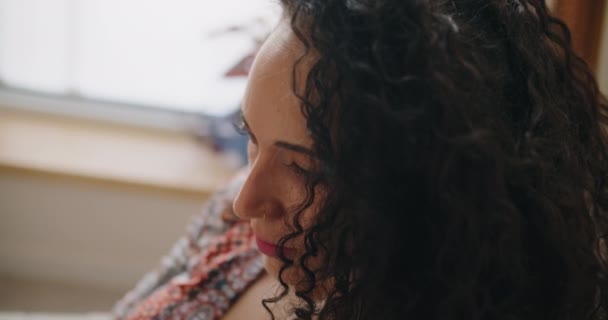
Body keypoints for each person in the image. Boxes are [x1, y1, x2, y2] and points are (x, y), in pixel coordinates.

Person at [113, 0, 608, 319]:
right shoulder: (243, 226)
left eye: (307, 169)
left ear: (433, 179)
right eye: (251, 135)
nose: (246, 200)